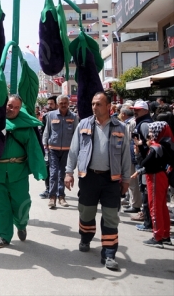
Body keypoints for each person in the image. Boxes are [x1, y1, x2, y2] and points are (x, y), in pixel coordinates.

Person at [65, 92, 131, 271]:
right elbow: (73, 150)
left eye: (99, 104)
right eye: (93, 104)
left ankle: (109, 253)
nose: (94, 107)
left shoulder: (120, 127)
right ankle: (86, 238)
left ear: (109, 106)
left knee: (110, 216)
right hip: (89, 177)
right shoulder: (84, 124)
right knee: (86, 212)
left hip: (111, 180)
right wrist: (68, 173)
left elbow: (126, 155)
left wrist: (126, 179)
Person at [0, 95, 46, 249]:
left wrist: (40, 169)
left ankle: (21, 224)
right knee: (0, 206)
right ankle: (2, 235)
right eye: (10, 106)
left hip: (18, 173)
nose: (11, 109)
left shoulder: (26, 125)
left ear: (20, 109)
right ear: (5, 105)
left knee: (21, 204)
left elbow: (34, 149)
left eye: (16, 107)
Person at [132, 121, 172, 248]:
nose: (148, 136)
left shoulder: (155, 147)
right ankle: (165, 235)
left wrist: (137, 153)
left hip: (155, 178)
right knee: (161, 207)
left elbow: (144, 163)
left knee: (154, 207)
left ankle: (157, 236)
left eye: (150, 133)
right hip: (161, 177)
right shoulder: (162, 145)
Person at [42, 95, 78, 208]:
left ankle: (61, 197)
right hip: (53, 149)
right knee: (53, 174)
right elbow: (47, 130)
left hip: (68, 151)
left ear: (68, 103)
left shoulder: (74, 116)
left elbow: (77, 134)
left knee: (63, 174)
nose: (63, 105)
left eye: (65, 103)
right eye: (61, 103)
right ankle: (52, 197)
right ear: (58, 104)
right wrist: (44, 142)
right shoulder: (51, 115)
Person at [130, 100, 154, 231]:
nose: (135, 111)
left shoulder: (144, 125)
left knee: (146, 194)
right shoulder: (141, 123)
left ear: (145, 111)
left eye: (138, 109)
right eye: (134, 109)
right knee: (145, 192)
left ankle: (148, 223)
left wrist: (140, 147)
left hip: (146, 165)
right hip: (144, 164)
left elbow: (150, 145)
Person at [39, 96, 57, 199]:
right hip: (47, 148)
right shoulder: (46, 116)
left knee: (58, 170)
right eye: (48, 104)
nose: (49, 106)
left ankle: (58, 191)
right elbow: (42, 131)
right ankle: (48, 189)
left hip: (60, 148)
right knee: (47, 168)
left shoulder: (64, 116)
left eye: (51, 104)